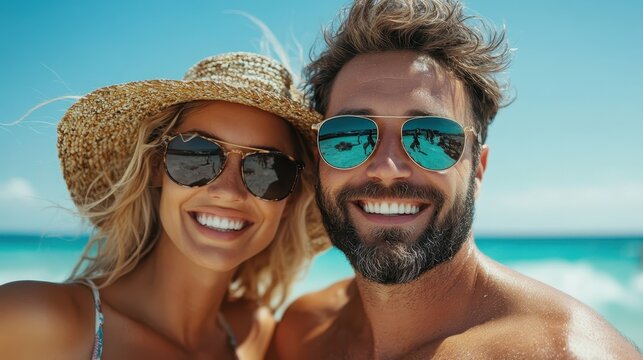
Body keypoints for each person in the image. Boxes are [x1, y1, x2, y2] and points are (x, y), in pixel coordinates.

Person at [270, 1, 641, 359]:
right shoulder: (301, 333)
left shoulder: (566, 353)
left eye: (431, 137)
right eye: (349, 135)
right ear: (319, 160)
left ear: (478, 169)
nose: (387, 167)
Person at [0, 52, 327, 359]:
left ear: (293, 194)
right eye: (196, 155)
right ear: (157, 166)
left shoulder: (256, 334)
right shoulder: (34, 320)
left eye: (268, 168)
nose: (228, 192)